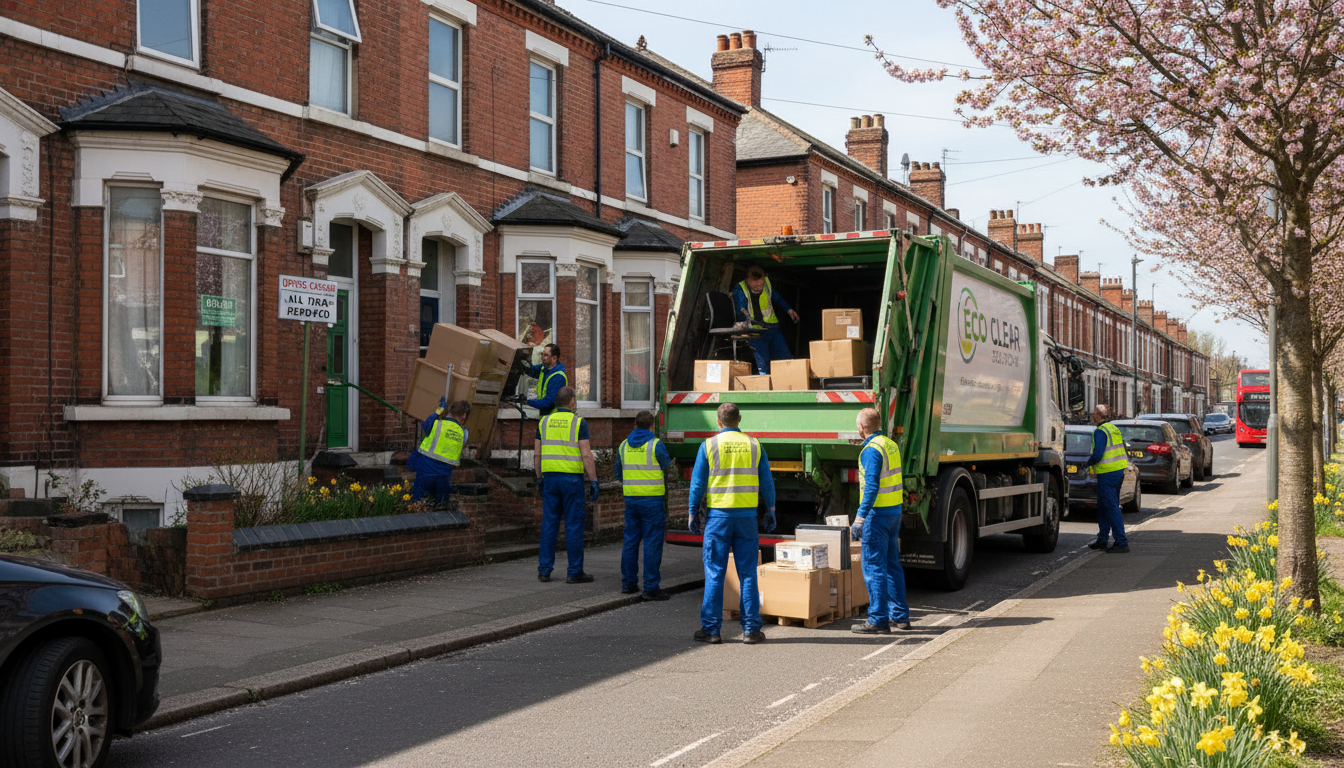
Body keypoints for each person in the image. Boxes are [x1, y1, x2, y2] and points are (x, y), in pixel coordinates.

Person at [688, 402, 776, 644]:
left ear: (718, 421)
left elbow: (697, 485)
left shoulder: (708, 446)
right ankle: (751, 630)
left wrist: (692, 512)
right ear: (740, 420)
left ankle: (712, 630)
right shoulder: (754, 445)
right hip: (747, 518)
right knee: (748, 573)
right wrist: (770, 509)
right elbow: (767, 482)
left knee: (715, 573)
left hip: (718, 518)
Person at [849, 408, 910, 633]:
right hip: (894, 512)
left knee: (874, 566)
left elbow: (872, 485)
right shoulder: (890, 444)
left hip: (877, 515)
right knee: (892, 566)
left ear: (861, 428)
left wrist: (860, 517)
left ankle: (877, 619)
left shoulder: (871, 450)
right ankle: (901, 617)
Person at [535, 386, 600, 583]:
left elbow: (537, 454)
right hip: (572, 481)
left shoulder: (543, 423)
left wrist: (539, 478)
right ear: (571, 402)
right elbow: (586, 455)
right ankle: (574, 572)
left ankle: (544, 570)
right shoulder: (578, 423)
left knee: (549, 524)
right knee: (573, 525)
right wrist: (594, 480)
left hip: (551, 480)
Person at [615, 411, 674, 601]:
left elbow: (618, 474)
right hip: (652, 501)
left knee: (630, 542)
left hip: (631, 500)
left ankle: (628, 583)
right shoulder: (656, 445)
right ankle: (650, 588)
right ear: (652, 425)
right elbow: (667, 466)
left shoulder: (623, 445)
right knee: (652, 543)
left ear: (635, 424)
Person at [731, 264, 799, 375]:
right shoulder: (740, 289)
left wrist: (789, 310)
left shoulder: (767, 283)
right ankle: (766, 387)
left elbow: (778, 299)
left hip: (773, 328)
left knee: (785, 360)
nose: (759, 285)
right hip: (756, 332)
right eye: (755, 283)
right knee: (763, 365)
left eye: (760, 282)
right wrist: (744, 324)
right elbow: (740, 309)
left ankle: (788, 384)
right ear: (747, 279)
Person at [1085, 404, 1130, 554]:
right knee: (1104, 507)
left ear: (1097, 415)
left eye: (1094, 413)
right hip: (1117, 471)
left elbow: (1098, 454)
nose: (1093, 415)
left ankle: (1121, 542)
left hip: (1107, 473)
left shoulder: (1100, 431)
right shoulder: (1113, 428)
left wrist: (1088, 462)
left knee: (1110, 507)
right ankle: (1102, 539)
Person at [409, 398, 471, 505]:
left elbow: (425, 426)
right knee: (441, 504)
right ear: (463, 416)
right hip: (444, 475)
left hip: (426, 469)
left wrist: (438, 411)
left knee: (419, 502)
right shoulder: (463, 433)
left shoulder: (436, 424)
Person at [522, 343, 567, 417]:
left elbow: (548, 402)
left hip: (554, 418)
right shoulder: (544, 368)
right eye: (542, 354)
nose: (543, 357)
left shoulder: (558, 377)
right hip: (545, 417)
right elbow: (531, 370)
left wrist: (528, 402)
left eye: (546, 355)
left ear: (554, 358)